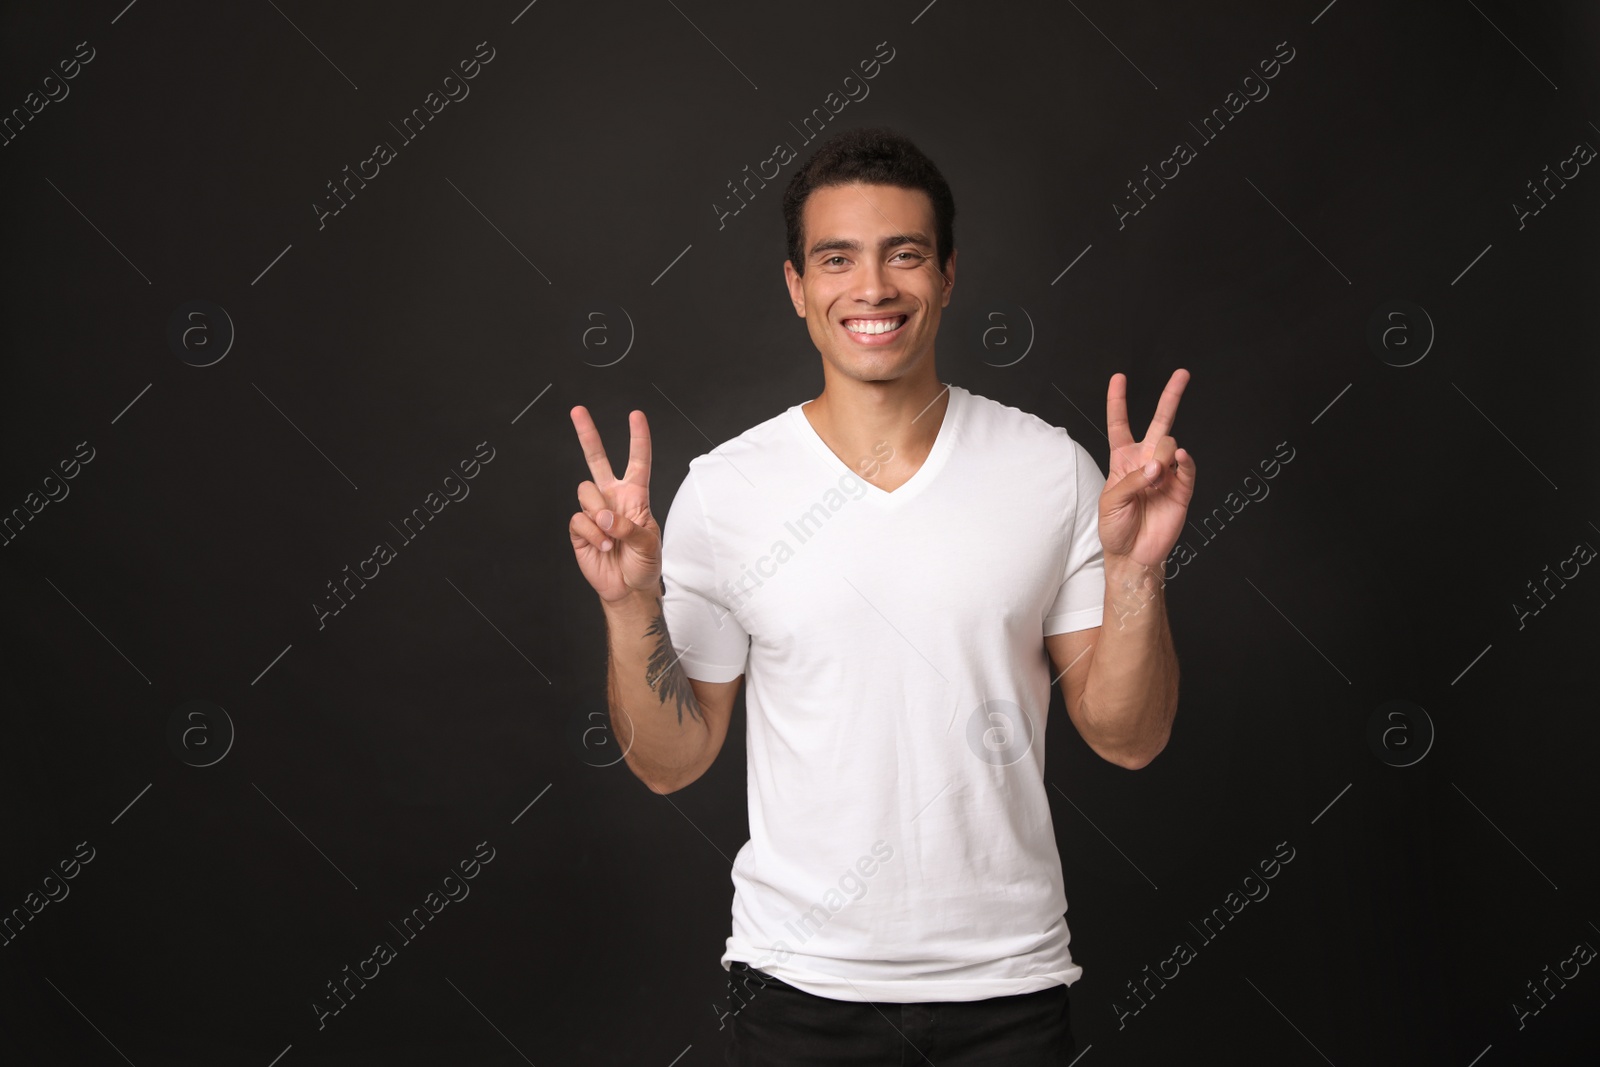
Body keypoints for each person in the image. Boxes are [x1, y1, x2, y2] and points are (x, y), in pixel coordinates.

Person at [568, 126, 1195, 1066]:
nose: (872, 288)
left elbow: (1129, 736)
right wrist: (628, 606)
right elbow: (671, 761)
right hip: (799, 993)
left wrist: (1139, 572)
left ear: (946, 274)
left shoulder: (1052, 472)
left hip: (1010, 989)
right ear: (797, 287)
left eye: (904, 254)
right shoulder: (728, 491)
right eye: (837, 259)